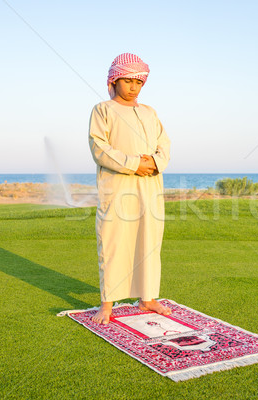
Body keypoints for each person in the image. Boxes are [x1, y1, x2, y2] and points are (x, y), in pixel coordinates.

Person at [88, 53, 171, 324]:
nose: (133, 87)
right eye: (127, 80)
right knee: (114, 241)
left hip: (150, 186)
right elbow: (100, 148)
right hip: (118, 187)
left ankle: (147, 299)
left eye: (138, 81)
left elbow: (164, 145)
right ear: (114, 80)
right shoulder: (103, 110)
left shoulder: (149, 112)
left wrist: (154, 162)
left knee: (149, 241)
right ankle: (107, 304)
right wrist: (134, 164)